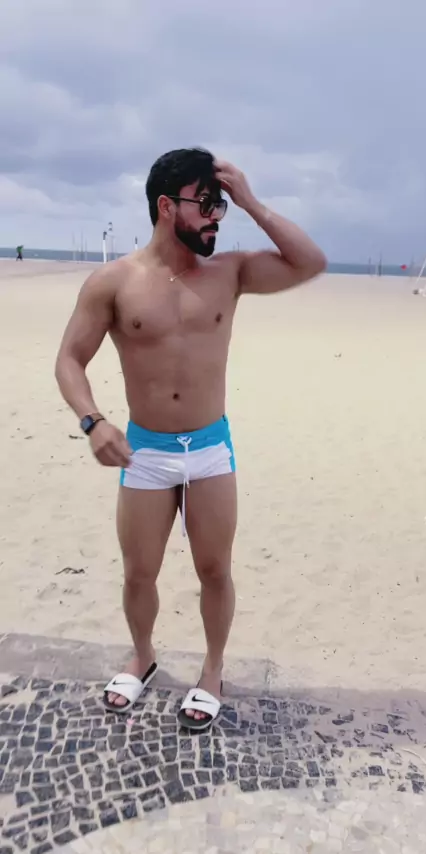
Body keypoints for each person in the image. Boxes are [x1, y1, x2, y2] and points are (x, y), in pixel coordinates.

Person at [55, 148, 327, 731]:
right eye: (206, 204)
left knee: (214, 571)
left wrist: (250, 201)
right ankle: (143, 656)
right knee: (138, 573)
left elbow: (310, 262)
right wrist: (93, 421)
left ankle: (212, 671)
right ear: (165, 206)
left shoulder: (230, 273)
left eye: (220, 205)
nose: (215, 217)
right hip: (146, 451)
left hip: (209, 450)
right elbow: (69, 360)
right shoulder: (114, 282)